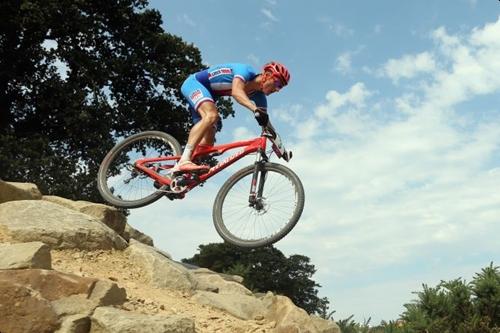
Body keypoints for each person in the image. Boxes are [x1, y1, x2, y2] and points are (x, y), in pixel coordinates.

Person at [174, 61, 291, 173]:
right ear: (267, 75)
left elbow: (267, 125)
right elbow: (236, 92)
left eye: (280, 87)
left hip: (210, 95)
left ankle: (176, 175)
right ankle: (184, 161)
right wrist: (255, 109)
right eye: (277, 83)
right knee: (211, 115)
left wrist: (281, 148)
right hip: (194, 84)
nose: (277, 89)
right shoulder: (246, 71)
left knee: (208, 142)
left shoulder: (260, 97)